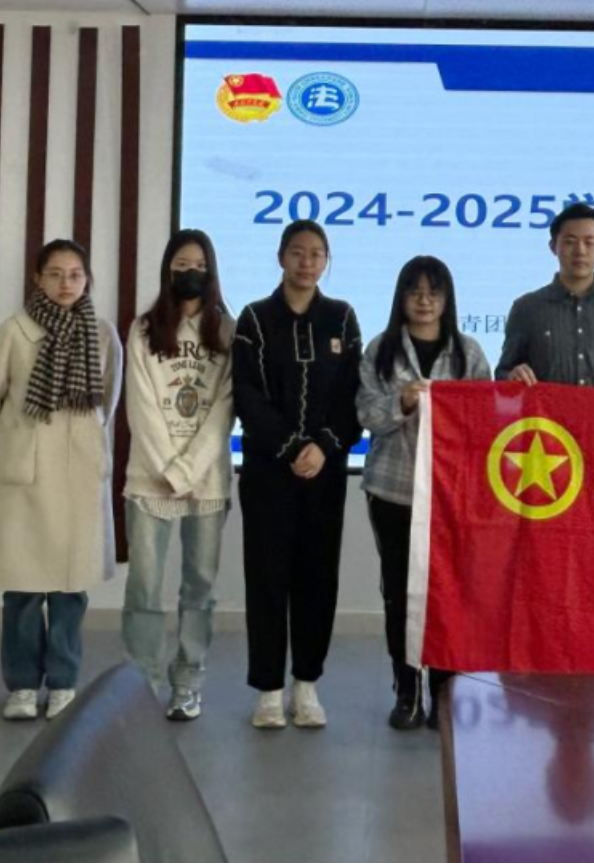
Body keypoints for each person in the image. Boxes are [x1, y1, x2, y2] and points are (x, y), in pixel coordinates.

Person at [0, 239, 123, 722]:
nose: (66, 283)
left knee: (69, 589)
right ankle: (21, 684)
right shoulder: (14, 331)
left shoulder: (102, 334)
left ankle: (63, 681)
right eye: (55, 274)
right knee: (21, 587)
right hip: (26, 473)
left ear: (87, 280)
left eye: (75, 274)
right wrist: (16, 445)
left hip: (78, 472)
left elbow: (107, 403)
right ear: (37, 279)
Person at [232, 219, 363, 729]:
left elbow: (353, 397)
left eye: (316, 254)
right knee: (267, 578)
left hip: (325, 473)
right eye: (297, 253)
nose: (307, 263)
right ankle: (268, 689)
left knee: (317, 578)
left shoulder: (342, 317)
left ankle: (307, 684)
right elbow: (247, 396)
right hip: (268, 471)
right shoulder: (255, 318)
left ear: (327, 261)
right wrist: (290, 448)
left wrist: (324, 447)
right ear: (281, 257)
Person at [358, 255, 491, 731]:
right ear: (401, 298)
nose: (424, 301)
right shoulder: (381, 349)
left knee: (448, 594)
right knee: (400, 593)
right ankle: (407, 691)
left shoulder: (468, 353)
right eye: (414, 291)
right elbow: (367, 416)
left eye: (433, 292)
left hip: (451, 497)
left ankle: (445, 692)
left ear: (447, 299)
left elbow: (485, 422)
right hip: (393, 490)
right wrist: (403, 401)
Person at [121, 229, 235, 721]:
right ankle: (142, 681)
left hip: (206, 481)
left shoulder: (227, 330)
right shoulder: (144, 329)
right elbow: (140, 406)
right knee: (144, 587)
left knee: (199, 589)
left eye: (199, 265)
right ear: (168, 269)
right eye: (181, 264)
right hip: (150, 479)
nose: (190, 272)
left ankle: (188, 681)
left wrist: (187, 469)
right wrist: (169, 468)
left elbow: (224, 408)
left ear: (211, 272)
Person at [495, 203, 594, 389]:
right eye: (569, 242)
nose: (580, 251)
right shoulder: (526, 308)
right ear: (553, 246)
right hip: (546, 409)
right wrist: (512, 376)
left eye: (589, 242)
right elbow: (503, 373)